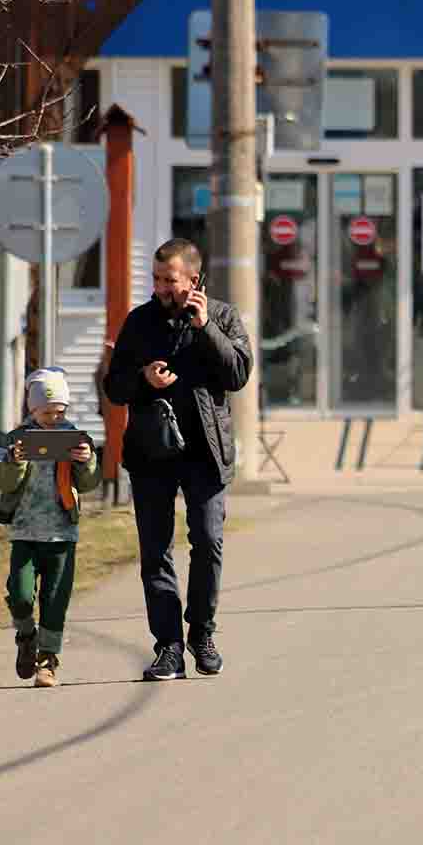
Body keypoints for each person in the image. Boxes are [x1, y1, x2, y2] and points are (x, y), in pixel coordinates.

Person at [104, 237, 253, 682]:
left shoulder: (223, 317)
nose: (161, 288)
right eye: (156, 279)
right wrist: (143, 378)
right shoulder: (140, 322)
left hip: (205, 453)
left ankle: (201, 633)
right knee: (156, 551)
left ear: (193, 280)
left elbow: (239, 374)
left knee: (208, 542)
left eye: (169, 280)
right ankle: (168, 645)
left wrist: (206, 327)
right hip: (153, 453)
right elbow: (114, 387)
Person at [0, 368, 100, 688]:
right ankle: (26, 636)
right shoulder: (13, 440)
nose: (54, 418)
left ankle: (48, 661)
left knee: (55, 601)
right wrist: (15, 459)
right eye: (47, 412)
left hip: (62, 534)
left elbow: (89, 482)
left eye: (59, 412)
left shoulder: (75, 437)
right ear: (32, 409)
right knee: (21, 596)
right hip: (24, 533)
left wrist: (86, 460)